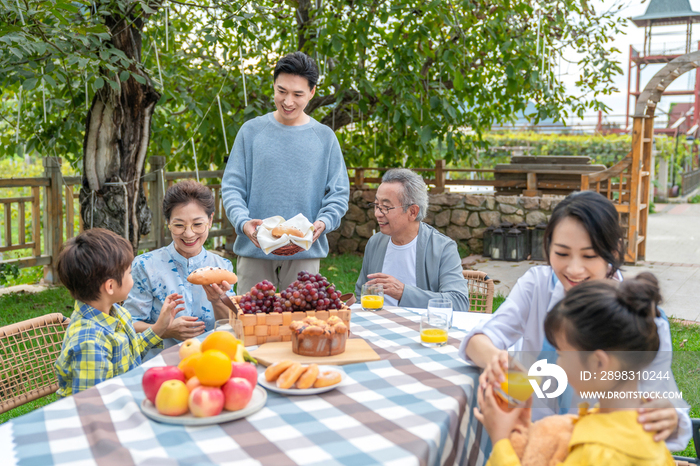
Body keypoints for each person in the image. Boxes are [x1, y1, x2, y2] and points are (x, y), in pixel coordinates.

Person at [461, 190, 691, 450]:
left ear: (613, 250)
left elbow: (666, 406)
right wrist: (498, 362)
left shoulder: (637, 316)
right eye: (561, 253)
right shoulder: (536, 284)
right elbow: (479, 339)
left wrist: (669, 418)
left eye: (589, 256)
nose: (573, 269)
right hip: (530, 437)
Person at [475, 273, 677, 465]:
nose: (557, 364)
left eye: (562, 353)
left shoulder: (598, 454)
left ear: (599, 363)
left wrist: (500, 438)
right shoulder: (635, 425)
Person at [221, 51, 349, 294]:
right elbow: (232, 188)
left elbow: (339, 193)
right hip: (254, 250)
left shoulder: (325, 138)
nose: (288, 101)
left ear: (312, 93)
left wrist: (324, 222)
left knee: (302, 328)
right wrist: (244, 223)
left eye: (297, 94)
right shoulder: (251, 131)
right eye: (282, 91)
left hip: (305, 253)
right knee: (252, 327)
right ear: (273, 86)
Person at [54, 228, 183, 397]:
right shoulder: (90, 343)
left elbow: (130, 351)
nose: (133, 279)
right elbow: (90, 403)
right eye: (129, 273)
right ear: (110, 286)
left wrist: (159, 327)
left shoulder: (116, 312)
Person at [124, 180, 235, 351]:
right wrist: (166, 330)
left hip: (213, 358)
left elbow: (232, 325)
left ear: (210, 220)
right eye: (179, 225)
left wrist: (217, 301)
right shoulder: (145, 266)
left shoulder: (222, 267)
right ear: (168, 222)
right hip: (159, 362)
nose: (189, 234)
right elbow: (129, 324)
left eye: (198, 224)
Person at [354, 168, 470, 310]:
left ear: (412, 212)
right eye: (376, 205)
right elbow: (362, 294)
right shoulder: (375, 243)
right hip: (379, 325)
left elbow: (459, 303)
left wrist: (403, 293)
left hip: (422, 328)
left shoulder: (442, 248)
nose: (377, 213)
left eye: (385, 207)